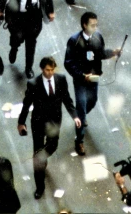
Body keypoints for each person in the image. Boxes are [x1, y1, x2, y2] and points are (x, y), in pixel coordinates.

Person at [17, 56, 80, 200]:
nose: (50, 73)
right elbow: (26, 104)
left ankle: (41, 158)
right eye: (47, 70)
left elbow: (67, 99)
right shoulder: (33, 84)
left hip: (54, 122)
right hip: (38, 123)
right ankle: (40, 187)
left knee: (52, 146)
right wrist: (21, 122)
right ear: (41, 69)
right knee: (38, 156)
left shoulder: (61, 79)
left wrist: (75, 116)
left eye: (52, 70)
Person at [64, 11, 122, 156]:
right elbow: (68, 63)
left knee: (92, 101)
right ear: (84, 25)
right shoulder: (74, 41)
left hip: (94, 77)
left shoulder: (98, 37)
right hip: (81, 80)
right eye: (92, 25)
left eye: (96, 25)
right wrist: (82, 76)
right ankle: (79, 139)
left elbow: (101, 54)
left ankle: (80, 117)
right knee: (82, 106)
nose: (95, 28)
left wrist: (113, 53)